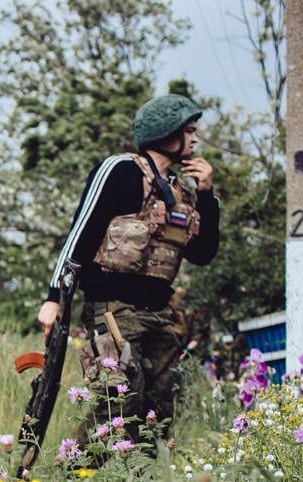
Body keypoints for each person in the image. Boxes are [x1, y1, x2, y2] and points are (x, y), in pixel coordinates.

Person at [36, 93, 221, 449]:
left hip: (161, 315)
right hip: (114, 310)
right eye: (189, 131)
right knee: (118, 402)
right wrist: (55, 297)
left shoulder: (182, 192)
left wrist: (207, 195)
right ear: (166, 132)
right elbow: (81, 233)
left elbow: (203, 254)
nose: (195, 139)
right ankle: (75, 477)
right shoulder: (120, 170)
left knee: (158, 412)